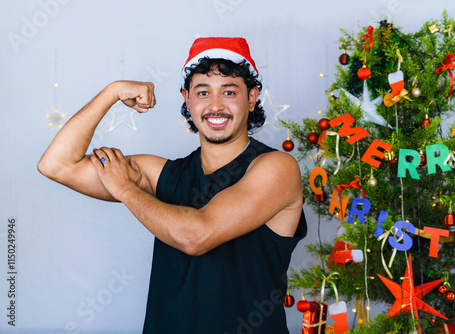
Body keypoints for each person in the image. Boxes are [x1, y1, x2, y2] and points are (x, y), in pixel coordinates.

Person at [38, 37, 307, 333]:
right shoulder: (163, 173)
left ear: (252, 97)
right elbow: (57, 165)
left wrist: (125, 189)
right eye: (203, 92)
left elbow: (195, 236)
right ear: (187, 98)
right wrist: (111, 92)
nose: (215, 105)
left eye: (229, 92)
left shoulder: (277, 168)